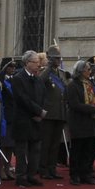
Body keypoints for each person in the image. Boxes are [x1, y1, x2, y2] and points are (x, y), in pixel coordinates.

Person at [4, 50, 45, 188]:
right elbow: (22, 99)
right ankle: (21, 176)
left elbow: (42, 97)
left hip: (36, 120)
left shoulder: (38, 79)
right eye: (36, 62)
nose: (38, 65)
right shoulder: (18, 78)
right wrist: (38, 111)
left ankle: (31, 175)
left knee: (35, 150)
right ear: (27, 63)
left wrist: (40, 113)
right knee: (22, 151)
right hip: (23, 119)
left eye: (39, 63)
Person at [66, 57, 95, 186]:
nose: (90, 71)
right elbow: (75, 105)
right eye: (88, 69)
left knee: (88, 151)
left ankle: (86, 174)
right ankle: (75, 175)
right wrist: (94, 109)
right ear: (81, 71)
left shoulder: (89, 84)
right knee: (77, 150)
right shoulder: (73, 85)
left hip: (90, 122)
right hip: (78, 123)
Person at [38, 45, 69, 181]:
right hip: (49, 113)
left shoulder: (60, 73)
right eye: (56, 58)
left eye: (59, 58)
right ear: (50, 59)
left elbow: (65, 89)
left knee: (55, 144)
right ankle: (43, 169)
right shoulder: (45, 72)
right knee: (46, 143)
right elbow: (40, 82)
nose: (58, 60)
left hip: (60, 113)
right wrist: (49, 67)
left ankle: (52, 168)